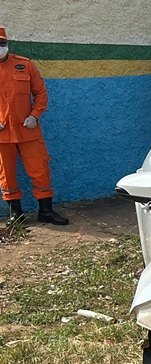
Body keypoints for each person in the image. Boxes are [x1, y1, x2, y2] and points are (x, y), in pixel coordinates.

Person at [0, 26, 68, 226]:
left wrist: (35, 116)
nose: (0, 47)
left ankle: (45, 211)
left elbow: (41, 93)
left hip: (28, 130)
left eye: (2, 43)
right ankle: (16, 214)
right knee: (6, 174)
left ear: (7, 44)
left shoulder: (24, 65)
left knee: (40, 170)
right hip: (3, 134)